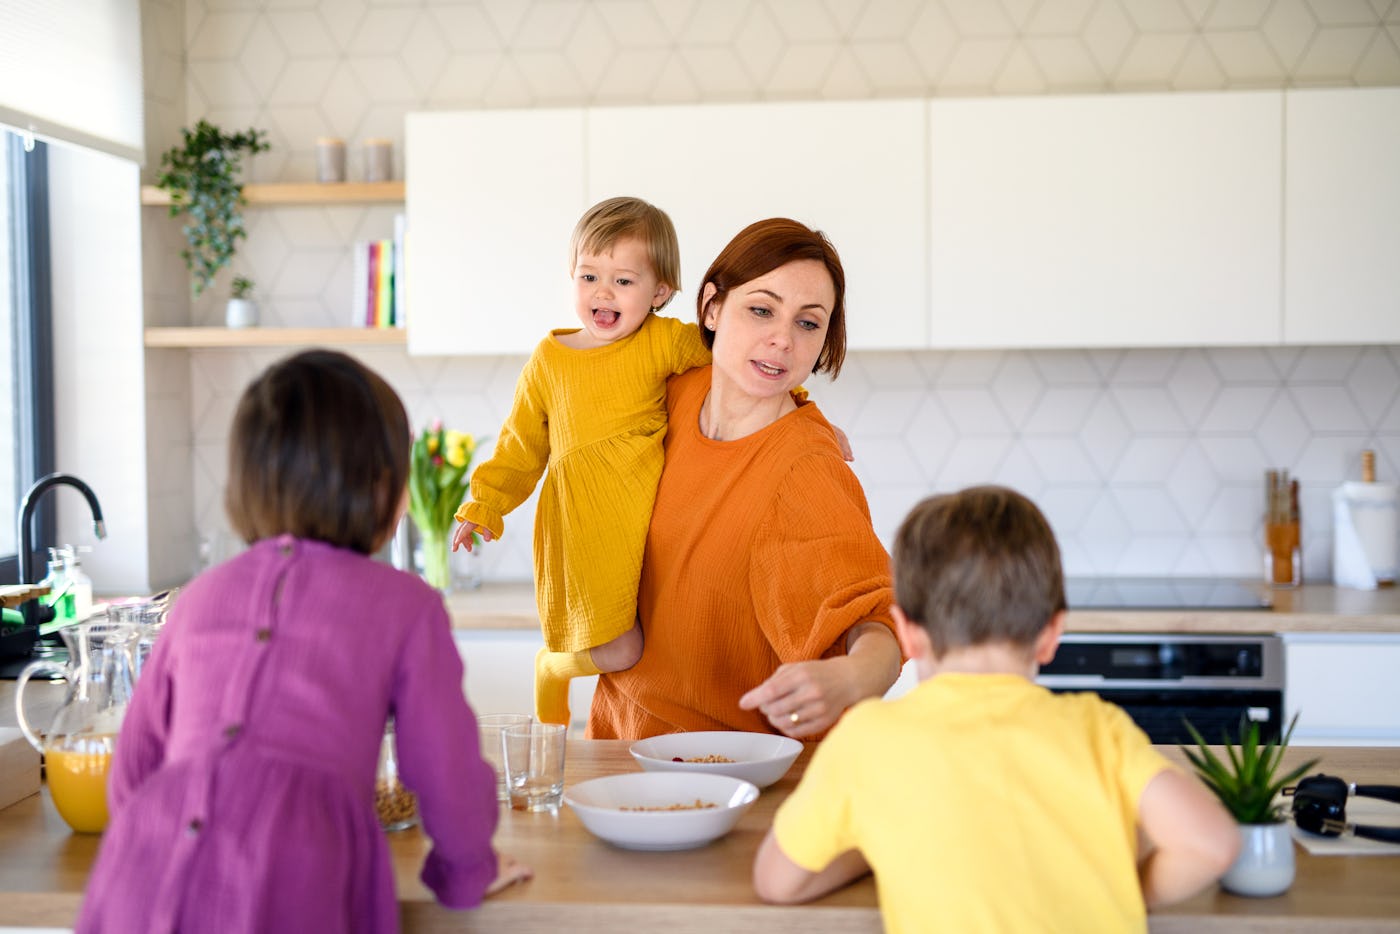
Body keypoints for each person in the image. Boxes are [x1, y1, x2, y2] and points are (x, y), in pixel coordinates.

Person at [77, 350, 530, 934]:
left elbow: (134, 770)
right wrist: (468, 869)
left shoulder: (198, 597)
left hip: (143, 869)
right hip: (295, 870)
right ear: (384, 485)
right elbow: (446, 769)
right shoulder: (406, 606)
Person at [752, 485, 1241, 931]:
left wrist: (873, 844)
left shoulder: (866, 738)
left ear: (908, 633)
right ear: (1051, 635)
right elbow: (1211, 845)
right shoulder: (1099, 727)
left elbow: (778, 882)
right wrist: (1125, 895)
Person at [588, 217, 903, 741]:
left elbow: (876, 616)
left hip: (735, 778)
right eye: (762, 309)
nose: (782, 340)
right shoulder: (662, 392)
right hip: (616, 754)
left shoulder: (806, 466)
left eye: (808, 323)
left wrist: (851, 677)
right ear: (712, 306)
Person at [451, 196, 711, 726]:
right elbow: (521, 447)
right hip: (587, 528)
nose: (602, 293)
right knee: (623, 649)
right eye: (589, 275)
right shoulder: (550, 359)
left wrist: (802, 407)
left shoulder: (662, 341)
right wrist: (483, 504)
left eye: (623, 280)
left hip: (651, 526)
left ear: (660, 292)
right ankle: (552, 669)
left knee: (665, 640)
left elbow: (737, 359)